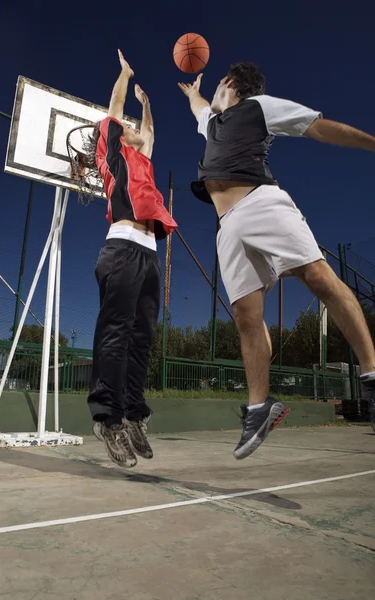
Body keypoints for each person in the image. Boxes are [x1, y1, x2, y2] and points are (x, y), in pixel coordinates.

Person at [178, 62, 375, 459]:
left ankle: (371, 373)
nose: (212, 92)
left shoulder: (259, 107)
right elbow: (200, 107)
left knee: (319, 277)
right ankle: (259, 407)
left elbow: (319, 127)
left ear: (231, 84)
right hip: (227, 224)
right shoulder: (212, 124)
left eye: (218, 84)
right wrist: (191, 92)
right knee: (246, 317)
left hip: (261, 202)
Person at [85, 50, 177, 467]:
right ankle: (108, 418)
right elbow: (114, 109)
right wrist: (124, 75)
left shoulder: (145, 162)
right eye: (130, 128)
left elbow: (151, 130)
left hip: (149, 256)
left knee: (142, 339)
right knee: (116, 335)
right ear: (117, 137)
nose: (137, 129)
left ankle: (135, 413)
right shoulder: (113, 157)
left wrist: (148, 103)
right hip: (121, 249)